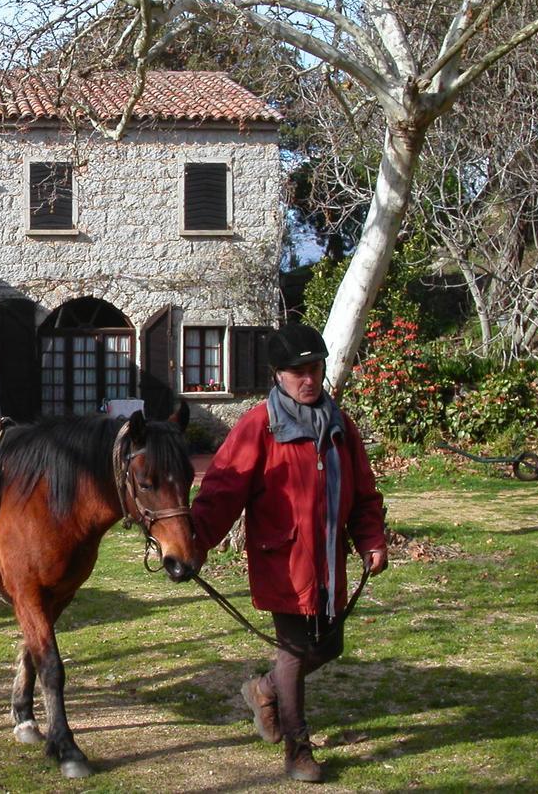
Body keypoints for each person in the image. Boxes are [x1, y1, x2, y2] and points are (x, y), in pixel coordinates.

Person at [189, 323, 388, 784]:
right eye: (298, 371)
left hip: (328, 563)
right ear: (277, 375)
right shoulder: (260, 425)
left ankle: (262, 689)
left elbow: (362, 494)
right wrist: (195, 541)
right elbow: (222, 489)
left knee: (330, 644)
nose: (309, 379)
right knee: (296, 653)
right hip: (283, 560)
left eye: (315, 368)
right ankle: (299, 751)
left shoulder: (340, 424)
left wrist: (371, 539)